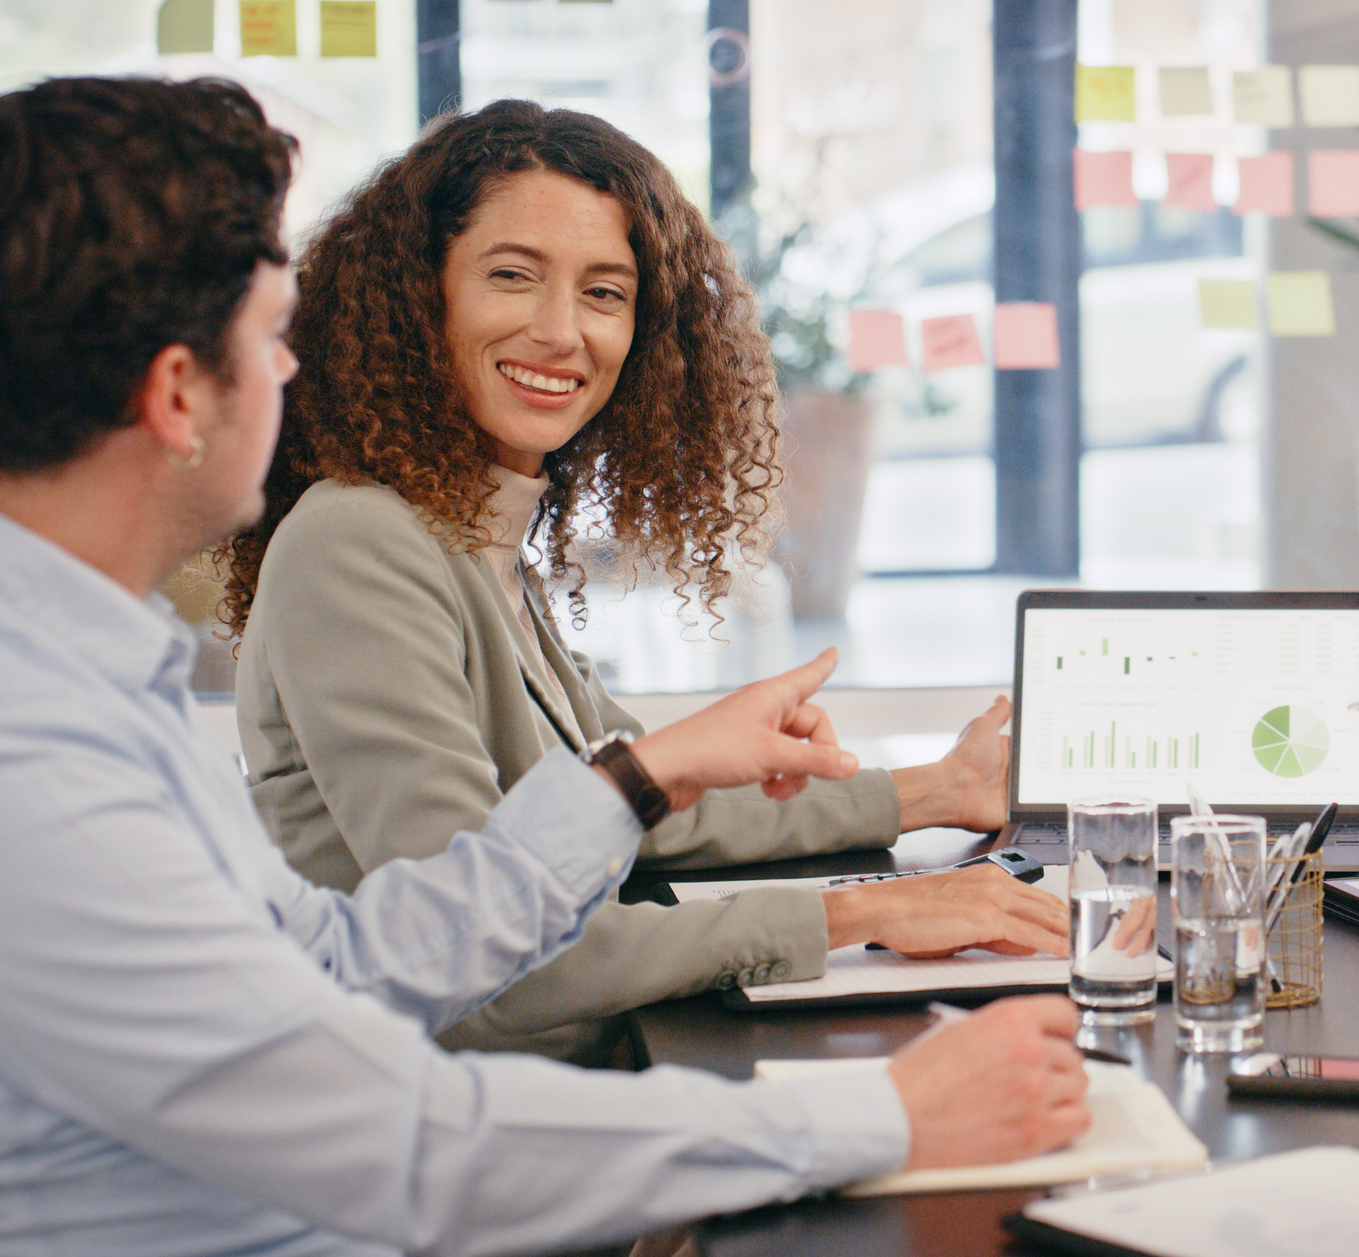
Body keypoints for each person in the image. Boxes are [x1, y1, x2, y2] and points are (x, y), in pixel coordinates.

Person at [0, 75, 1090, 1257]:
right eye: (269, 336)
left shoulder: (111, 690)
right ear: (175, 394)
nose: (294, 369)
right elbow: (413, 1139)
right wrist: (877, 1102)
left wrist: (645, 780)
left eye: (603, 292)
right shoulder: (47, 760)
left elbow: (349, 960)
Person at [212, 100, 1063, 1063]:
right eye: (511, 276)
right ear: (418, 297)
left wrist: (935, 790)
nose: (560, 331)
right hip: (465, 1130)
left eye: (605, 293)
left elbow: (634, 823)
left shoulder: (472, 539)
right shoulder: (358, 543)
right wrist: (867, 912)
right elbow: (488, 959)